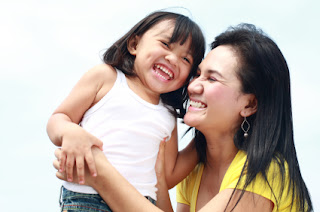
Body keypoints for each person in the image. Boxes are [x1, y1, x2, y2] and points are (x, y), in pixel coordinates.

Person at [53, 23, 313, 212]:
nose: (192, 86)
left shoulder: (264, 170)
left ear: (250, 104)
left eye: (211, 78)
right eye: (197, 74)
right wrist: (160, 180)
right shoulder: (196, 171)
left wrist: (98, 169)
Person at [47, 10, 205, 211]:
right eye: (165, 44)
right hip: (87, 199)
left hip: (140, 204)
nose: (173, 59)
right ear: (134, 45)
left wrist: (204, 141)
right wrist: (70, 131)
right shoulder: (107, 77)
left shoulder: (167, 114)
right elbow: (59, 118)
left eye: (186, 59)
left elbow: (169, 174)